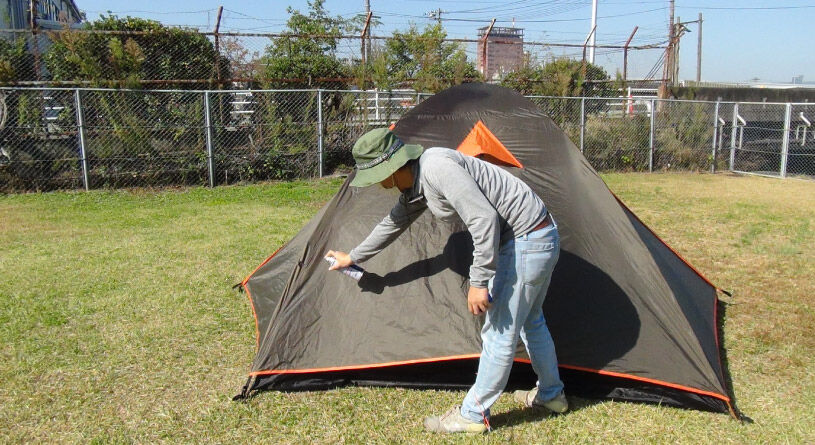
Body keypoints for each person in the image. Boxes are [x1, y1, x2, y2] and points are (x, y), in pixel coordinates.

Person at [326, 128, 567, 434]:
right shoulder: (417, 185)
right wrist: (353, 256)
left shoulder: (436, 167)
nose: (376, 183)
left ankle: (473, 415)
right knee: (531, 322)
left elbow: (483, 219)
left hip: (527, 240)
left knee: (499, 331)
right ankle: (551, 395)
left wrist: (479, 281)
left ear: (391, 168)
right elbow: (393, 223)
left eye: (375, 175)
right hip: (537, 237)